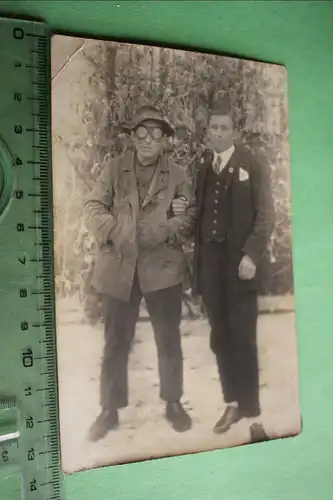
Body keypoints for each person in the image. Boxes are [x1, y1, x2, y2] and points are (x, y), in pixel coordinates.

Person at [85, 105, 195, 441]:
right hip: (120, 267)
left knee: (168, 338)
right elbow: (92, 208)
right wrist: (116, 231)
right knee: (116, 340)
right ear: (133, 137)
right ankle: (109, 409)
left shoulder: (178, 174)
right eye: (141, 133)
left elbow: (190, 216)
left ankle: (174, 403)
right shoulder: (114, 169)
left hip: (163, 269)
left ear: (165, 139)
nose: (148, 140)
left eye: (155, 133)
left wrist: (164, 228)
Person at [173, 98, 273, 442]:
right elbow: (198, 220)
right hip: (212, 267)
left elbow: (265, 216)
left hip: (240, 265)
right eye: (213, 128)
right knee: (220, 338)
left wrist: (251, 256)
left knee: (243, 338)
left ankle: (252, 415)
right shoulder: (204, 169)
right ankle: (232, 403)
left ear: (235, 132)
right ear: (207, 133)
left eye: (224, 128)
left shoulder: (252, 164)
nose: (218, 133)